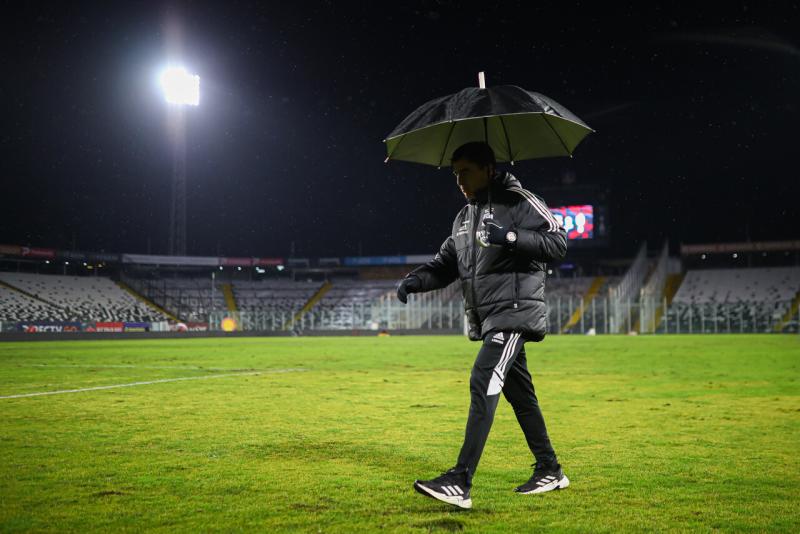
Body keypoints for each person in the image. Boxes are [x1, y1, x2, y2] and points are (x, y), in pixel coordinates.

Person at [396, 141, 569, 509]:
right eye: (455, 173)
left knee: (483, 378)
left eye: (466, 171)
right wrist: (415, 280)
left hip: (515, 311)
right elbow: (445, 265)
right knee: (519, 395)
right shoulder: (463, 218)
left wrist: (508, 236)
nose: (459, 180)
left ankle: (460, 480)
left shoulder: (521, 200)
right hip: (491, 317)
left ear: (488, 169)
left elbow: (558, 242)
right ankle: (550, 469)